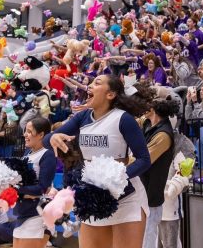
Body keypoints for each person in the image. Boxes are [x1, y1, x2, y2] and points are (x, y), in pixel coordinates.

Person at [45, 74, 151, 248]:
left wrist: (115, 180)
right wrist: (53, 138)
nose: (90, 86)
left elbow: (144, 160)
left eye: (97, 83)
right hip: (93, 197)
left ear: (110, 94)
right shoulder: (83, 117)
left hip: (126, 197)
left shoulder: (123, 119)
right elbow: (47, 139)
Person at [140, 97, 179, 248]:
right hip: (142, 193)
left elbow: (144, 160)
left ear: (154, 110)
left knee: (147, 240)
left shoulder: (163, 134)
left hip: (151, 195)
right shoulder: (148, 124)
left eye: (148, 104)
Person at [13, 117, 56, 248]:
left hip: (37, 214)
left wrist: (15, 189)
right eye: (25, 131)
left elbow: (42, 188)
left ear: (41, 134)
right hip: (22, 211)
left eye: (29, 132)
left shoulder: (47, 154)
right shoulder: (27, 153)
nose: (25, 135)